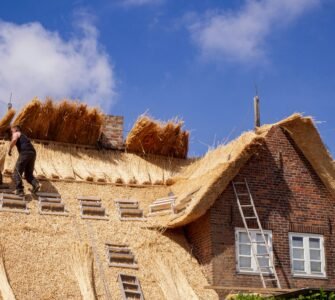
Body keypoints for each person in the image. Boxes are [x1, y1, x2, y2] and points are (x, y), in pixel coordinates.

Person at [8, 125, 40, 195]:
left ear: (15, 129)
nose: (11, 132)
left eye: (12, 130)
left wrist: (10, 149)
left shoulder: (16, 133)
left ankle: (20, 190)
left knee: (16, 172)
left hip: (25, 152)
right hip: (33, 153)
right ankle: (36, 184)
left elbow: (14, 140)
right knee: (28, 174)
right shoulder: (24, 136)